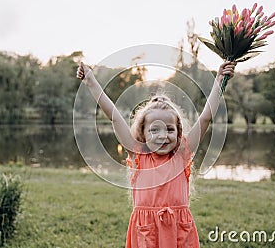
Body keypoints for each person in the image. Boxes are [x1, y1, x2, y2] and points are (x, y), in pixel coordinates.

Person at [76, 61, 236, 247]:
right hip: (146, 234)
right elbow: (113, 115)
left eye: (169, 129)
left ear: (178, 132)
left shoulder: (182, 154)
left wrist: (219, 80)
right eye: (154, 130)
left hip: (178, 232)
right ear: (143, 133)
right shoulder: (139, 155)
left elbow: (206, 117)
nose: (163, 136)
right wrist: (91, 82)